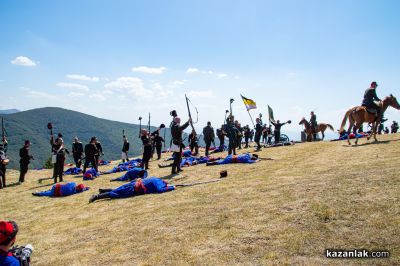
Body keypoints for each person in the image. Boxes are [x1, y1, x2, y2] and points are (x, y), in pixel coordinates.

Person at [89, 177, 175, 203]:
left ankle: (103, 191)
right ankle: (96, 197)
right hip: (133, 189)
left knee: (118, 190)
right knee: (115, 194)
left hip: (132, 184)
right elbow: (160, 190)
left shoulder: (155, 178)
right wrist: (172, 187)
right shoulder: (159, 184)